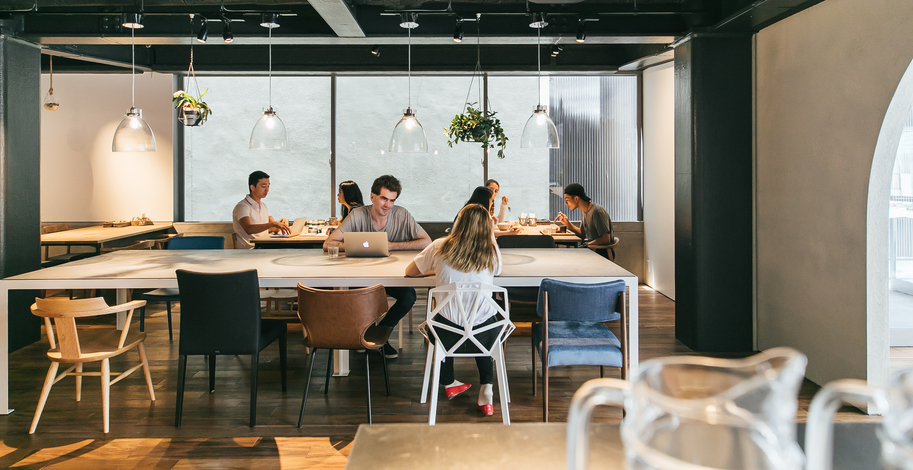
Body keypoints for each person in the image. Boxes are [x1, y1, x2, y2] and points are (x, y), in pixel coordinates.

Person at [405, 204, 503, 416]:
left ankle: (448, 381)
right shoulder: (492, 251)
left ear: (458, 222)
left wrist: (437, 269)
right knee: (483, 317)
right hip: (485, 336)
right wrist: (491, 234)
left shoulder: (439, 246)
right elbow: (499, 270)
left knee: (441, 315)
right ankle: (487, 389)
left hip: (446, 335)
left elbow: (410, 272)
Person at [324, 174, 432, 358]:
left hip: (392, 275)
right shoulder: (357, 215)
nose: (387, 205)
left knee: (409, 296)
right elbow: (328, 244)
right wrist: (353, 245)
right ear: (372, 196)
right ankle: (367, 335)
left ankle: (380, 334)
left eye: (391, 200)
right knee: (358, 296)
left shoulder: (402, 214)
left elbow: (426, 241)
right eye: (383, 198)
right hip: (361, 275)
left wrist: (391, 246)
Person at [232, 170, 290, 249]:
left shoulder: (263, 206)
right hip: (250, 249)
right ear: (252, 187)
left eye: (268, 186)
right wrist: (273, 224)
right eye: (263, 186)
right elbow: (249, 228)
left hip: (263, 245)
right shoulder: (242, 206)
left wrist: (282, 223)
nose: (266, 190)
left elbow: (274, 229)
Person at [555, 183, 614, 254]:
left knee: (565, 255)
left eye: (567, 199)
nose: (565, 203)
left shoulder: (597, 212)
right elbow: (583, 234)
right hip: (590, 250)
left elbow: (605, 239)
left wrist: (586, 245)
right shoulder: (585, 211)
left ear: (576, 198)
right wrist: (568, 224)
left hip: (599, 253)